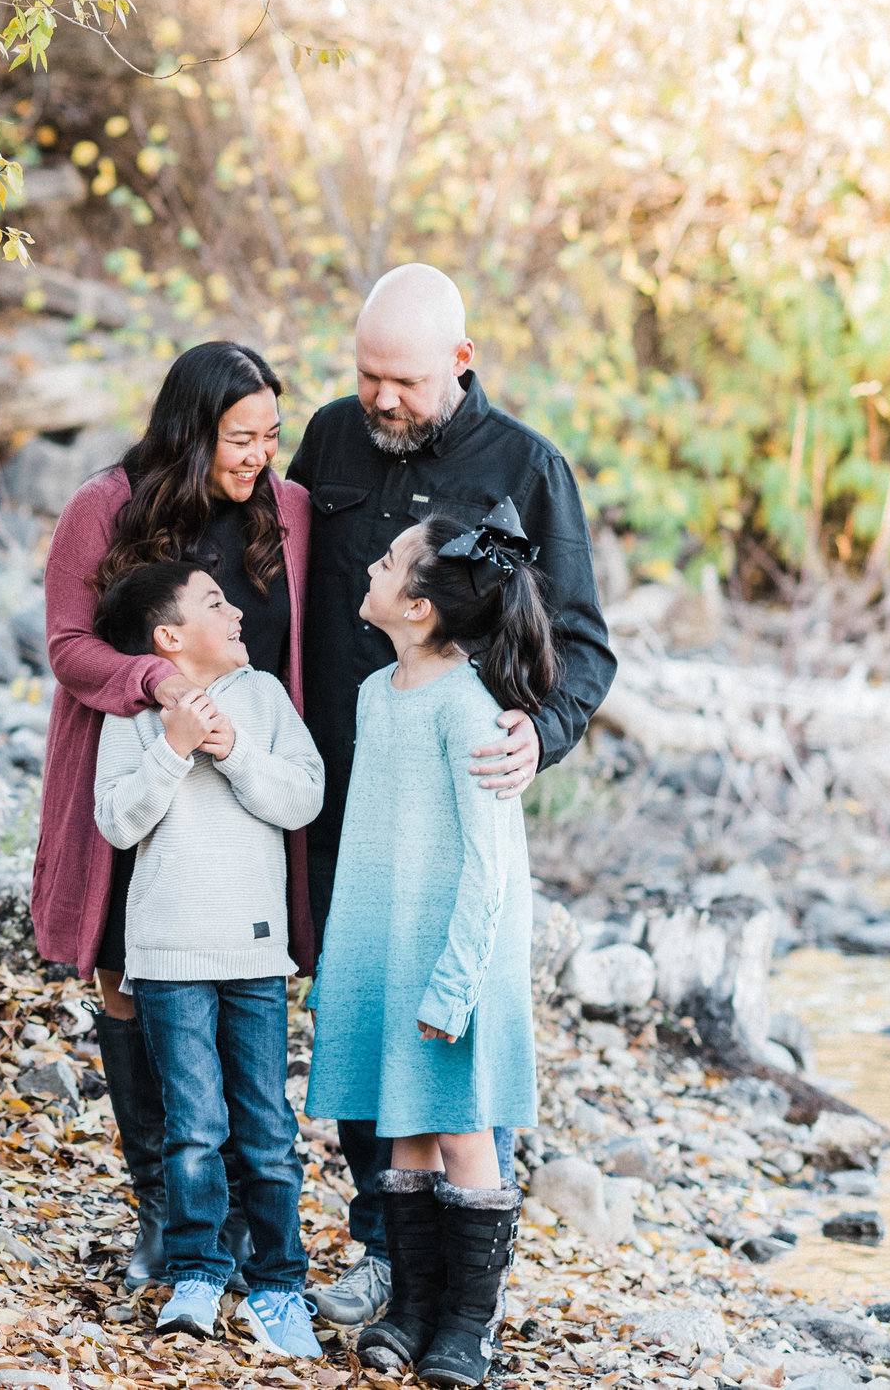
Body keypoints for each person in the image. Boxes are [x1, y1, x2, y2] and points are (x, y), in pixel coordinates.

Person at [283, 265, 614, 1323]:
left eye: (407, 381)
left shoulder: (527, 465)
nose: (382, 399)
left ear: (460, 364)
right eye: (368, 373)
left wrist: (540, 732)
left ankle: (451, 1288)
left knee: (451, 1030)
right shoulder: (332, 439)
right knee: (367, 1009)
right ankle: (382, 1242)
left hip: (454, 800)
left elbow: (584, 646)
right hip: (337, 791)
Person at [31, 341, 316, 1291]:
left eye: (274, 435)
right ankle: (161, 1202)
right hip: (134, 764)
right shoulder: (103, 506)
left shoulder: (287, 512)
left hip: (245, 799)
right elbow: (70, 646)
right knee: (124, 971)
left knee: (240, 995)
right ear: (192, 432)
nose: (260, 457)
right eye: (241, 438)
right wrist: (156, 685)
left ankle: (234, 1219)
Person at [304, 507, 550, 1387]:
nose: (370, 566)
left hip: (457, 952)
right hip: (389, 940)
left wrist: (455, 984)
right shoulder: (379, 694)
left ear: (418, 607)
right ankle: (409, 1306)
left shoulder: (470, 708)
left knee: (459, 1123)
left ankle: (466, 1324)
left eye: (387, 561)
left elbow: (490, 868)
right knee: (399, 1120)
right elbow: (372, 840)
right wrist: (343, 963)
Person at [91, 561, 326, 1356]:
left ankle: (279, 1283)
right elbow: (117, 822)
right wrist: (173, 748)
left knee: (264, 1127)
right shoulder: (133, 716)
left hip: (254, 950)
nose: (236, 613)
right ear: (169, 637)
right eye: (215, 603)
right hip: (166, 952)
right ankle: (197, 1270)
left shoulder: (262, 696)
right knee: (192, 1127)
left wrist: (233, 754)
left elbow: (305, 793)